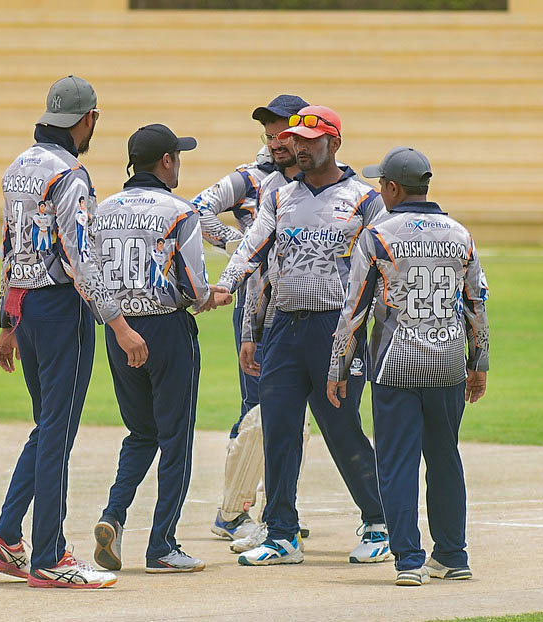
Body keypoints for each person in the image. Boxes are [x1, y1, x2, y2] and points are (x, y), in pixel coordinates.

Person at [0, 75, 148, 589]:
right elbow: (79, 258)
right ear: (88, 119)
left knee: (47, 427)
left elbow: (10, 246)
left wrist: (7, 322)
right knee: (57, 432)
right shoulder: (71, 175)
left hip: (27, 310)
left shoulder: (18, 167)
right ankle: (50, 555)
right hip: (61, 311)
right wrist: (118, 324)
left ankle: (7, 537)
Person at [216, 105, 391, 566]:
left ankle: (380, 523)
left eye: (311, 141)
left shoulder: (363, 199)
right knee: (278, 427)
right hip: (285, 328)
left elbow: (382, 266)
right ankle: (282, 533)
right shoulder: (279, 197)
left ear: (334, 143)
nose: (300, 147)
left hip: (337, 330)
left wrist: (369, 332)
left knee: (341, 426)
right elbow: (254, 251)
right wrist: (230, 292)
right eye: (295, 140)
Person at [327, 147, 490, 586]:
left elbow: (354, 309)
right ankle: (452, 555)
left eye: (382, 184)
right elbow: (475, 303)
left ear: (393, 188)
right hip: (449, 363)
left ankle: (409, 561)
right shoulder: (460, 234)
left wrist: (338, 367)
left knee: (396, 463)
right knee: (444, 457)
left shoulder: (378, 235)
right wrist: (479, 361)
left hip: (395, 365)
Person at [92, 123, 232, 574]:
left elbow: (90, 276)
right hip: (168, 331)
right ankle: (162, 545)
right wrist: (212, 296)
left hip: (120, 331)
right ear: (167, 161)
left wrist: (118, 325)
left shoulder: (102, 210)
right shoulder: (179, 210)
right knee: (176, 440)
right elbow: (193, 285)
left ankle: (113, 514)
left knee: (141, 434)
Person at [193, 94, 313, 543]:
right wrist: (237, 244)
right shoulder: (249, 177)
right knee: (259, 407)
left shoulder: (319, 180)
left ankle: (277, 507)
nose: (274, 139)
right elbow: (196, 209)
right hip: (257, 305)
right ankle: (233, 510)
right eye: (269, 132)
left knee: (293, 412)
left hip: (304, 304)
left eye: (283, 130)